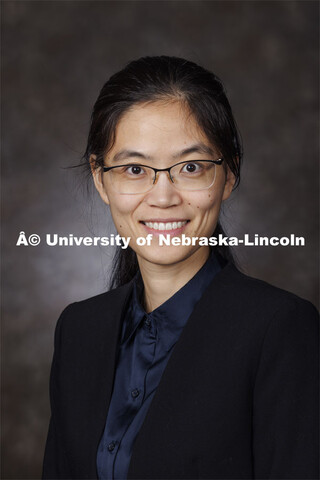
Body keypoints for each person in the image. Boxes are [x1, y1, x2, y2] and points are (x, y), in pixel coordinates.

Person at [42, 56, 319, 480]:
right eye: (135, 169)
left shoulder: (280, 329)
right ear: (101, 180)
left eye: (191, 167)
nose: (163, 197)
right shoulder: (78, 329)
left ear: (229, 174)